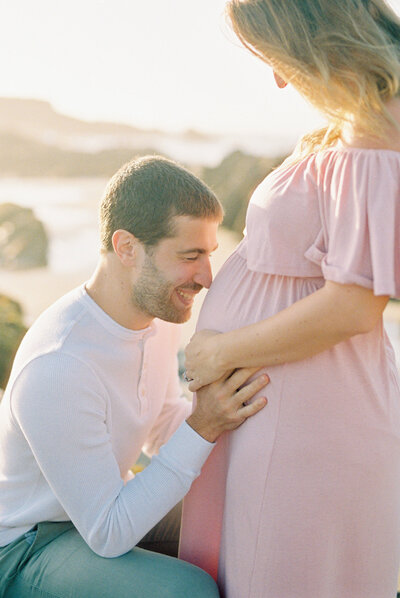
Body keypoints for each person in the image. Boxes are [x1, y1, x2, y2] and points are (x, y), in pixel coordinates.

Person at [179, 2, 400, 597]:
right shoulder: (357, 120)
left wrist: (220, 351)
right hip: (283, 403)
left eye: (275, 56)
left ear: (310, 33)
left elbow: (354, 305)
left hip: (306, 413)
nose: (278, 78)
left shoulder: (375, 122)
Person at [0, 155, 269, 598]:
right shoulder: (60, 364)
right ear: (126, 248)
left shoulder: (157, 317)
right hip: (28, 545)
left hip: (100, 508)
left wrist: (250, 431)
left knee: (245, 509)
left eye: (208, 254)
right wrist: (204, 423)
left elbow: (162, 421)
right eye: (190, 255)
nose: (206, 277)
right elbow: (108, 531)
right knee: (190, 591)